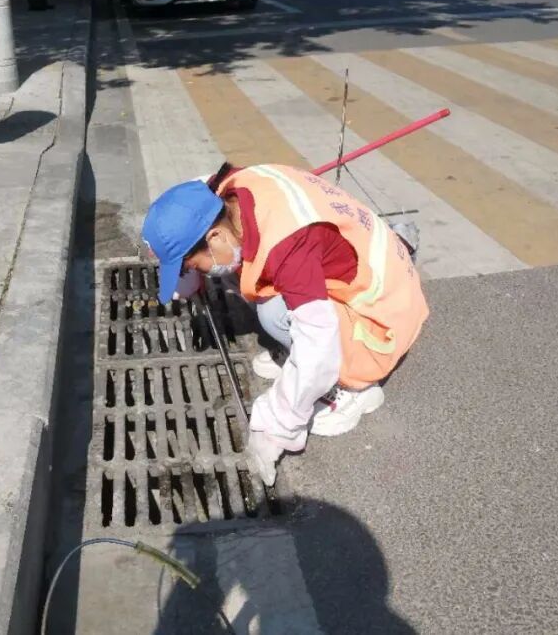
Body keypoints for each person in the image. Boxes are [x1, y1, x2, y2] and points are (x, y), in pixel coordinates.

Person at [142, 163, 429, 487]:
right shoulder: (230, 191)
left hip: (382, 311)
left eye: (194, 265)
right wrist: (187, 274)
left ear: (215, 236)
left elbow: (318, 343)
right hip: (364, 264)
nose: (198, 271)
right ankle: (304, 366)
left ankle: (355, 388)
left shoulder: (289, 246)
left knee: (276, 315)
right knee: (248, 279)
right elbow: (188, 199)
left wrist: (275, 425)